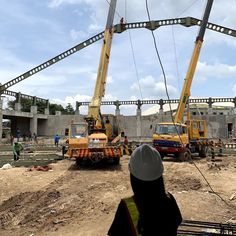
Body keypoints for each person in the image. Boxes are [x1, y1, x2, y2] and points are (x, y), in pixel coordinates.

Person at [108, 144, 182, 236]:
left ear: (133, 177)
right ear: (159, 175)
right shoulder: (170, 200)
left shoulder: (126, 208)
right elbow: (177, 222)